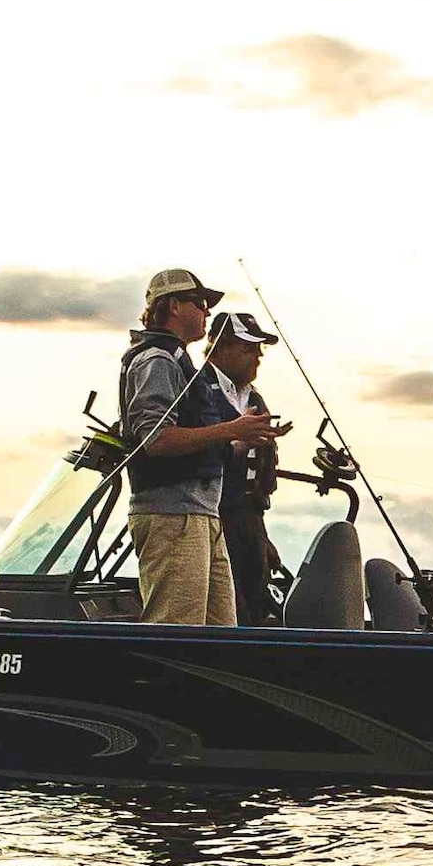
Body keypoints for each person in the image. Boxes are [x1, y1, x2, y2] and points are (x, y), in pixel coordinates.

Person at [115, 268, 284, 626]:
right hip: (173, 516)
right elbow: (155, 439)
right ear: (174, 306)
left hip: (201, 516)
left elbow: (190, 441)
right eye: (200, 303)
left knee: (222, 630)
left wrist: (241, 441)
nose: (207, 312)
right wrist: (230, 430)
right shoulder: (157, 360)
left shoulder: (176, 360)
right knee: (176, 630)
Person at [208, 308, 292, 624]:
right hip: (211, 517)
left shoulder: (255, 399)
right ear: (220, 347)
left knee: (255, 604)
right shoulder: (199, 391)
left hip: (248, 520)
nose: (257, 356)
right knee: (226, 606)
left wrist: (262, 535)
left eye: (259, 349)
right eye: (248, 348)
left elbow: (262, 472)